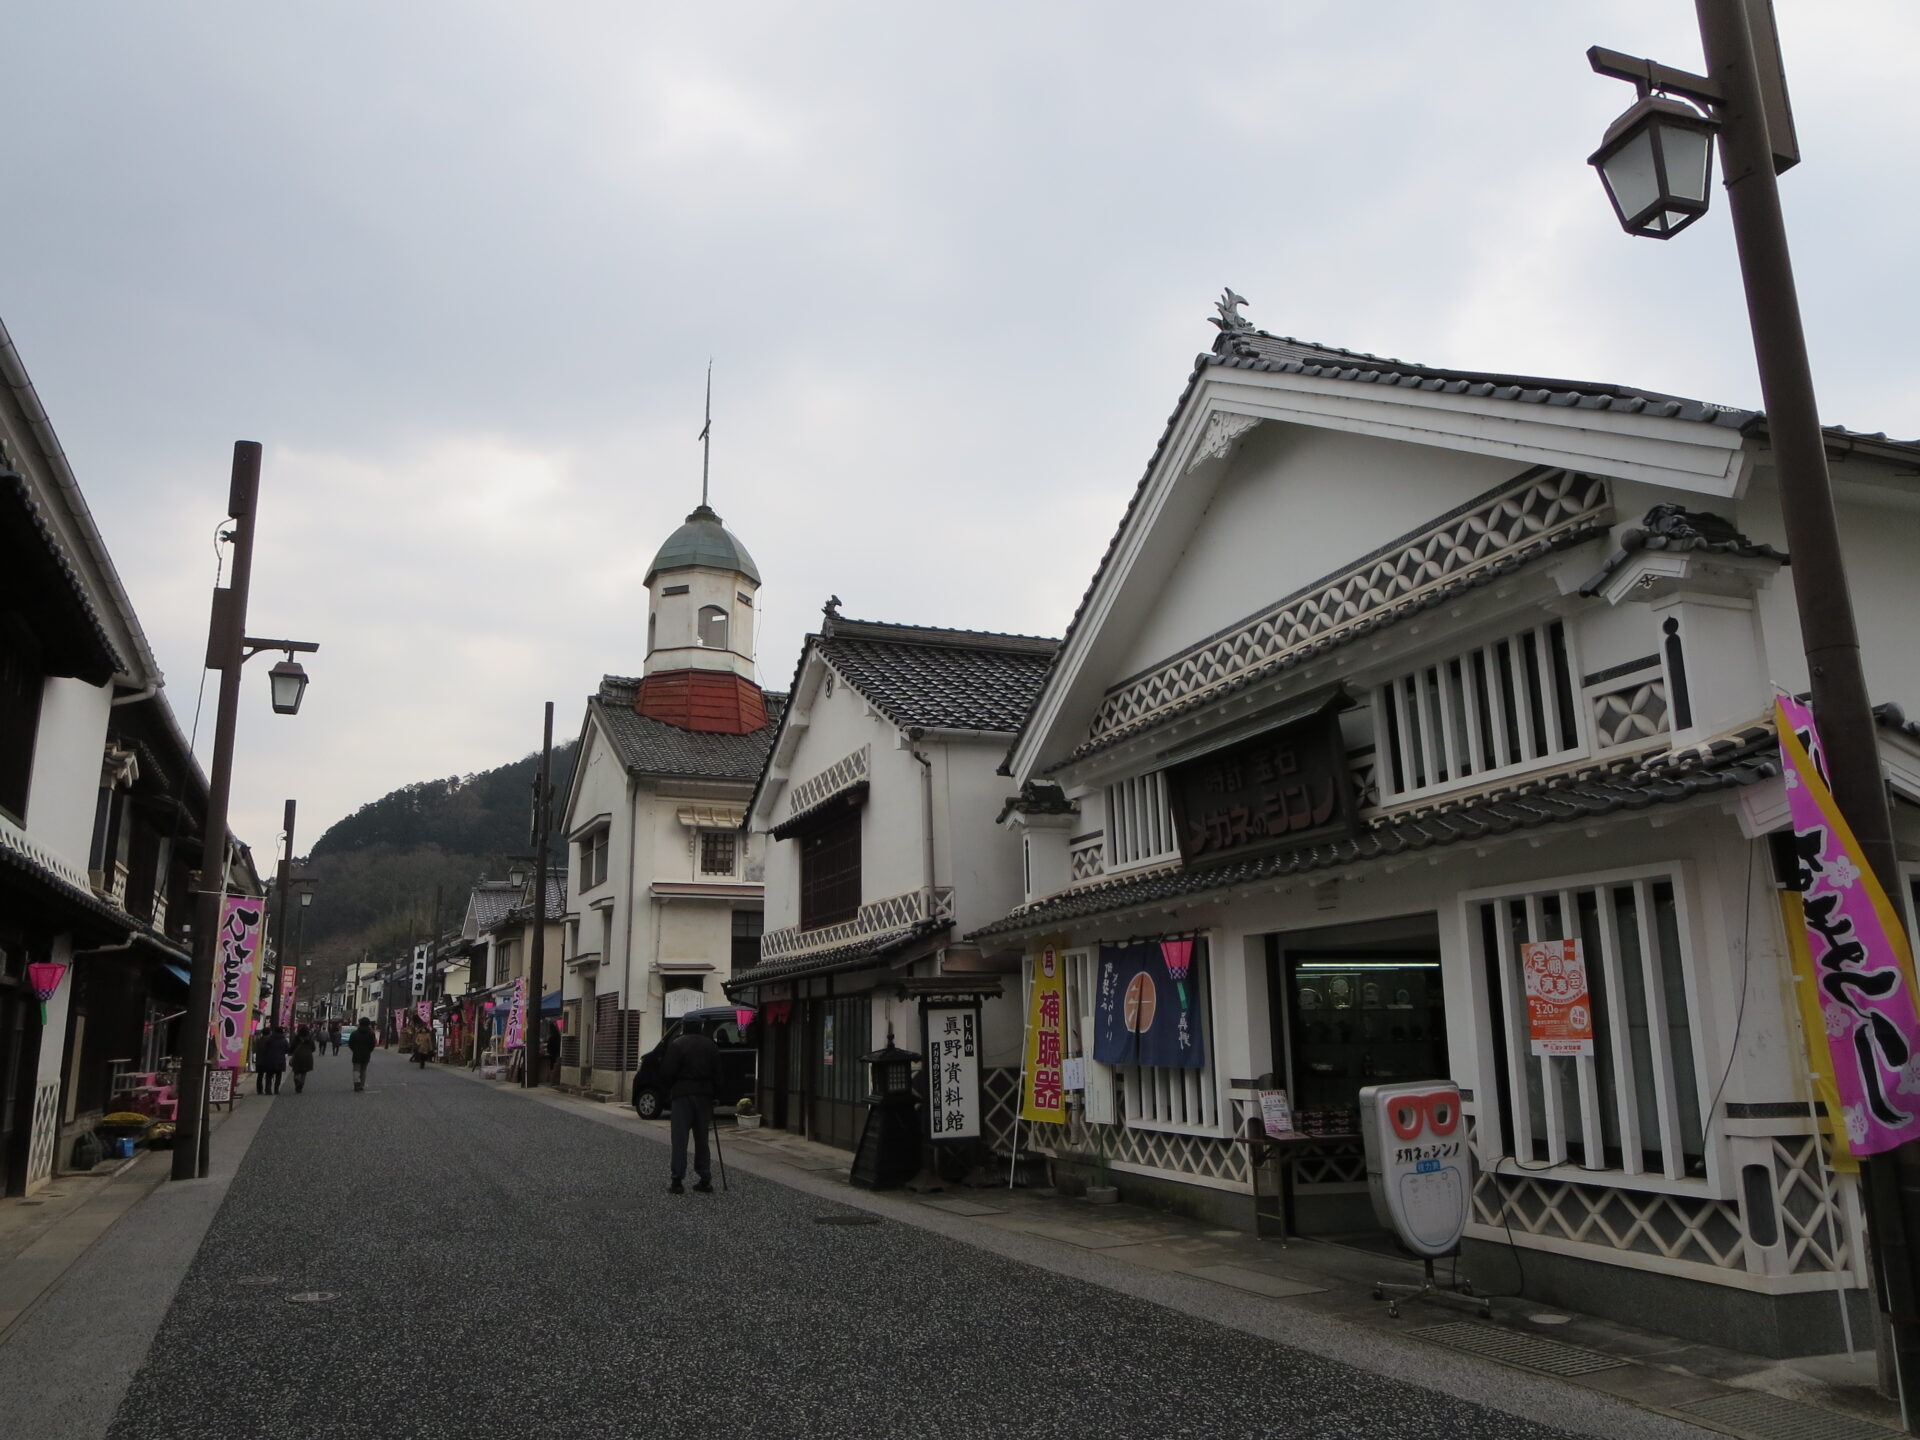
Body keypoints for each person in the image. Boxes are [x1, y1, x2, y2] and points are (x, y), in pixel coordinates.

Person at [658, 1018, 720, 1195]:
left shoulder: (678, 1045)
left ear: (684, 1028)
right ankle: (705, 1178)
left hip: (682, 1094)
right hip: (704, 1095)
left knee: (679, 1138)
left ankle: (677, 1180)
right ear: (700, 1028)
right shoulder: (710, 1045)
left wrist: (669, 1090)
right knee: (702, 1138)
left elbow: (667, 1071)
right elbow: (718, 1073)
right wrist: (716, 1095)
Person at [256, 1025, 290, 1095]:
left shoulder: (269, 1039)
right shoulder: (284, 1040)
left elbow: (265, 1049)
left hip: (270, 1060)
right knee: (278, 1075)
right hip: (280, 1060)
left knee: (269, 1075)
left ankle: (268, 1090)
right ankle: (276, 1089)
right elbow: (287, 1050)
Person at [347, 1016, 377, 1091]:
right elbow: (373, 1044)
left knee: (356, 1069)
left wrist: (354, 1049)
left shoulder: (354, 1033)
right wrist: (369, 1050)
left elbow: (350, 1044)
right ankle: (362, 1085)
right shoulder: (371, 1033)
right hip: (366, 1054)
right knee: (363, 1070)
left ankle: (356, 1085)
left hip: (356, 1053)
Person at [289, 1025, 316, 1093]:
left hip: (297, 1056)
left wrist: (291, 1053)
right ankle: (301, 1085)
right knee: (304, 1072)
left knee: (296, 1071)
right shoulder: (310, 1039)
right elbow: (313, 1048)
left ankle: (297, 1080)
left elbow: (292, 1047)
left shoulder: (296, 1038)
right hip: (307, 1056)